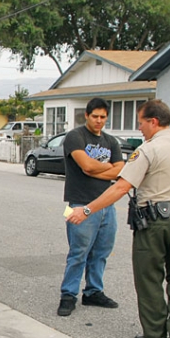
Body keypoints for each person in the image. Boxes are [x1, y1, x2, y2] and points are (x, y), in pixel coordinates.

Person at [67, 100, 170, 338]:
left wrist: (86, 209)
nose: (140, 128)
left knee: (149, 278)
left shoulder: (147, 150)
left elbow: (121, 188)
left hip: (154, 222)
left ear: (153, 122)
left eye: (141, 122)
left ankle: (155, 337)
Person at [57, 97, 125, 316]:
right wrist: (104, 168)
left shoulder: (111, 141)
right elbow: (85, 166)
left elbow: (120, 171)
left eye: (103, 117)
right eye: (94, 116)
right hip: (79, 204)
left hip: (106, 205)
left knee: (102, 251)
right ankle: (68, 295)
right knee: (78, 252)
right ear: (86, 115)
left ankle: (93, 292)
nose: (98, 120)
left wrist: (97, 169)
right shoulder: (75, 137)